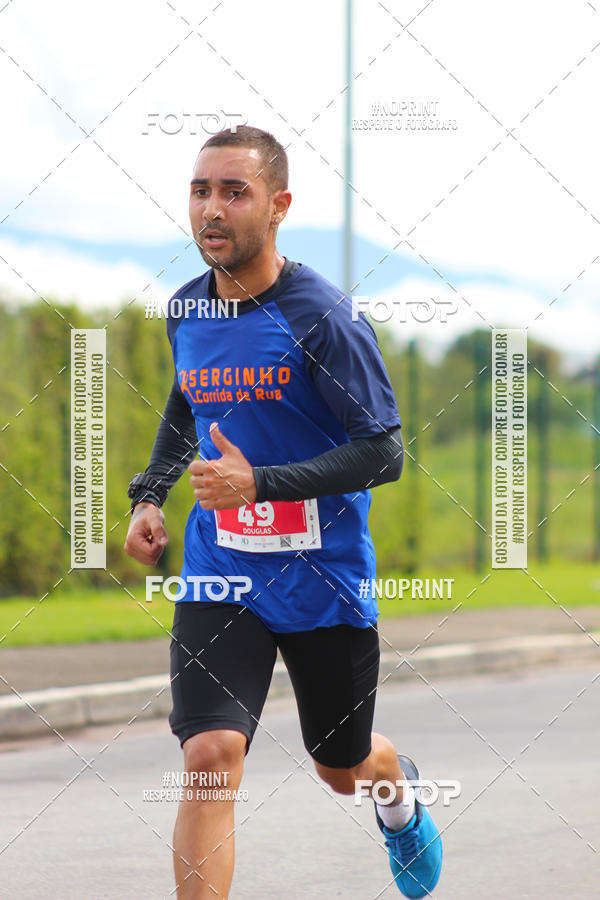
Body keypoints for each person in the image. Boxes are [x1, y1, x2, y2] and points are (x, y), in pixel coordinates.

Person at [124, 125, 442, 899]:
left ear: (279, 205)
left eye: (235, 191)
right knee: (209, 757)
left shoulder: (325, 319)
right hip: (220, 571)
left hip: (322, 578)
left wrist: (258, 484)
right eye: (201, 189)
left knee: (342, 768)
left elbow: (384, 452)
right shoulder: (186, 310)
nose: (212, 208)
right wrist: (149, 492)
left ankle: (395, 790)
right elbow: (185, 404)